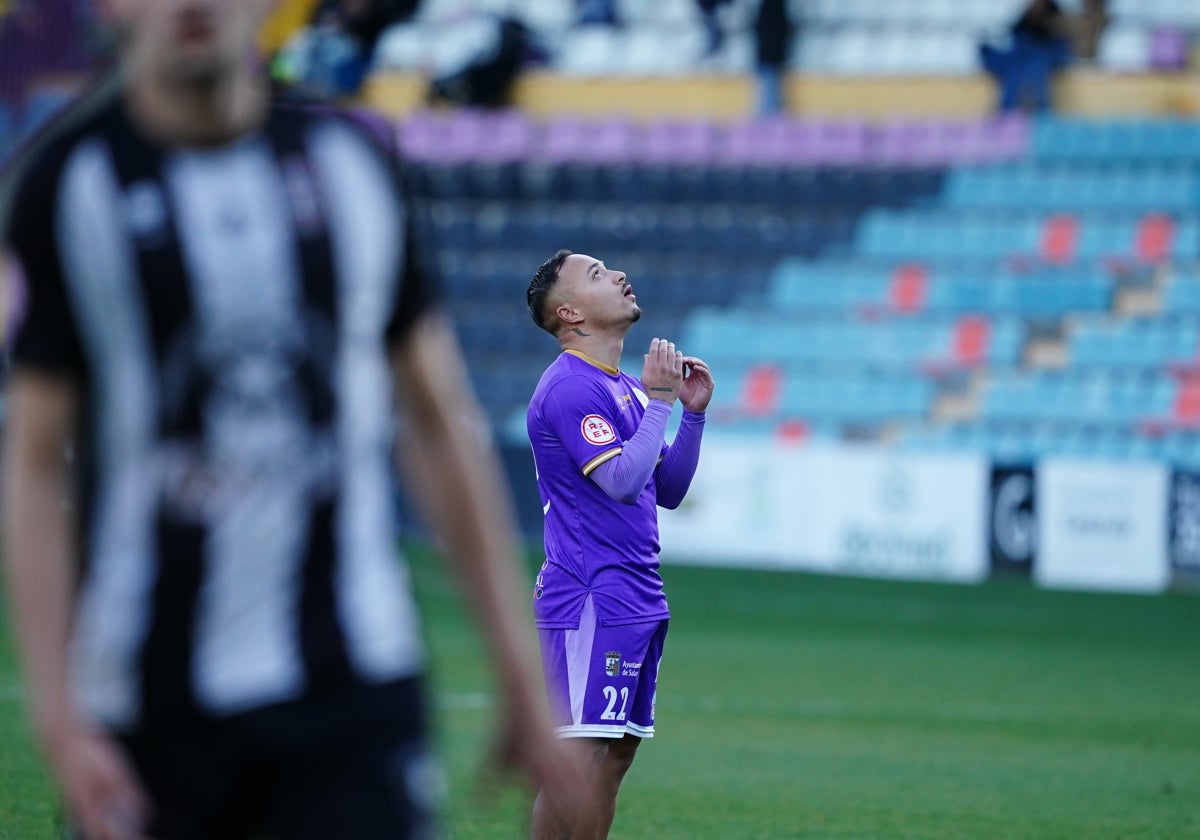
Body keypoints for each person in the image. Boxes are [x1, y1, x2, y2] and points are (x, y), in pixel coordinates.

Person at [0, 1, 577, 838]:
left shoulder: (355, 168)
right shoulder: (66, 187)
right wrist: (58, 715)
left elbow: (433, 418)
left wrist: (518, 675)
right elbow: (33, 457)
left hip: (353, 692)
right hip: (146, 712)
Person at [523, 250, 714, 839]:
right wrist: (658, 401)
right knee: (577, 760)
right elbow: (622, 480)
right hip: (588, 596)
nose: (620, 275)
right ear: (571, 313)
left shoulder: (624, 388)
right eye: (598, 274)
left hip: (636, 596)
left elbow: (668, 489)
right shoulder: (569, 388)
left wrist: (691, 416)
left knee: (616, 756)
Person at [980, 0, 1072, 113]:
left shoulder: (1050, 51)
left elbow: (1064, 57)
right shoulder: (1016, 48)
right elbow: (993, 61)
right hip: (1011, 114)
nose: (1036, 8)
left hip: (1037, 114)